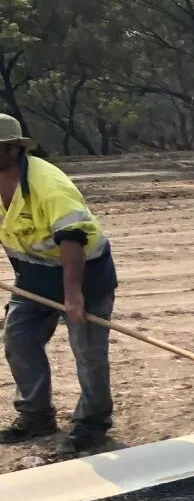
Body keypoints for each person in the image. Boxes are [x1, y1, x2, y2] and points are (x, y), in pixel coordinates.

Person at [0, 113, 117, 453]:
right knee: (18, 339)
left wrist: (75, 297)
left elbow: (72, 240)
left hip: (84, 273)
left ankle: (93, 422)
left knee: (88, 350)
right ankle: (36, 415)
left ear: (11, 150)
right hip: (33, 275)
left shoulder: (50, 185)